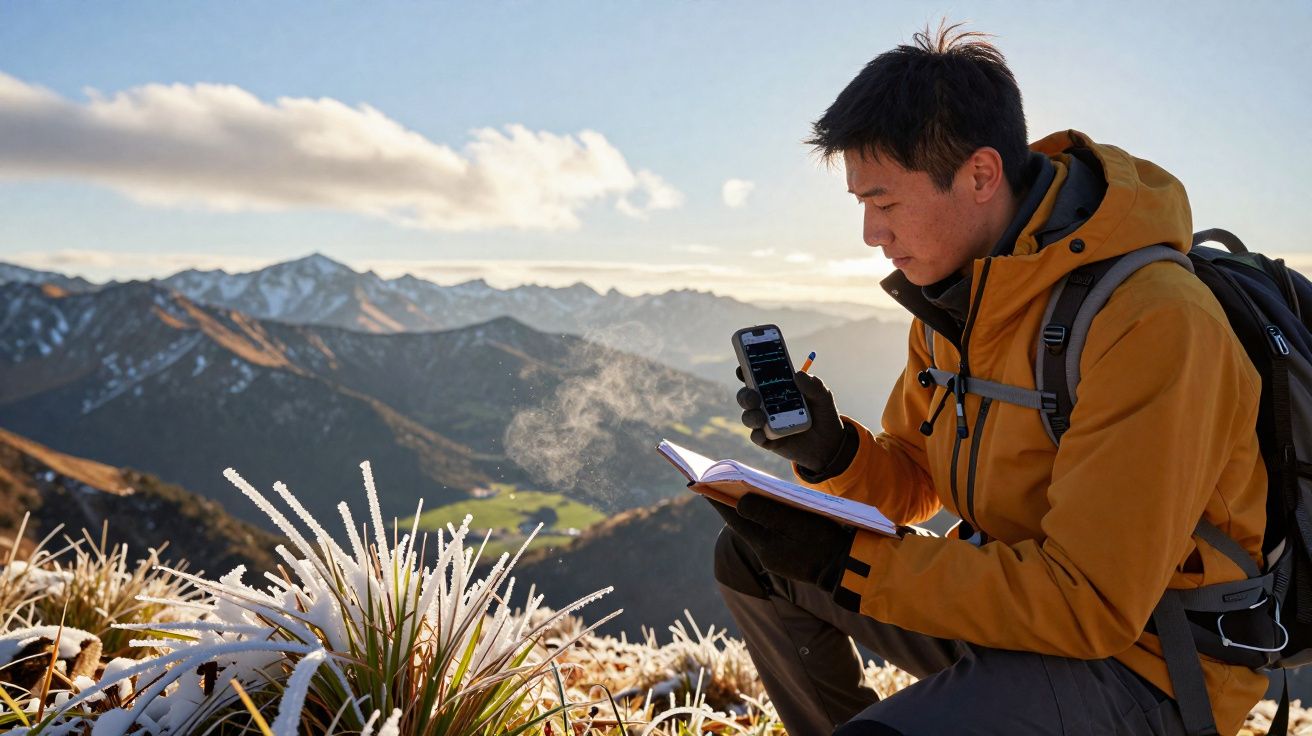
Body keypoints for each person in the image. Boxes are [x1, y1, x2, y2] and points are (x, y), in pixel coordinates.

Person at [710, 22, 1268, 736]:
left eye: (884, 202)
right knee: (750, 555)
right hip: (1019, 603)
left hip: (1149, 661)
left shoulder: (1152, 319)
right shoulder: (957, 296)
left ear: (979, 175)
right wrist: (834, 454)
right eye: (861, 205)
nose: (870, 234)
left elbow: (1089, 602)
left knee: (830, 569)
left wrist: (849, 564)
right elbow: (917, 481)